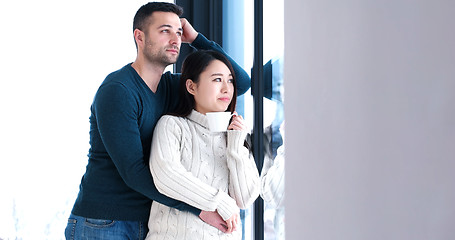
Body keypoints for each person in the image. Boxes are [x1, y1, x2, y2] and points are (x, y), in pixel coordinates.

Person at [64, 2, 251, 239]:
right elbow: (134, 171)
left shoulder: (171, 86)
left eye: (178, 32)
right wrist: (199, 208)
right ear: (139, 37)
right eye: (165, 31)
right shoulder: (119, 90)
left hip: (147, 220)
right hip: (104, 222)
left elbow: (241, 83)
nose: (175, 39)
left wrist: (196, 39)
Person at [145, 50, 260, 240]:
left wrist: (235, 146)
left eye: (230, 80)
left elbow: (245, 199)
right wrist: (220, 201)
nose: (226, 89)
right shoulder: (173, 125)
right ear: (191, 86)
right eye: (217, 80)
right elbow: (166, 175)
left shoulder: (236, 137)